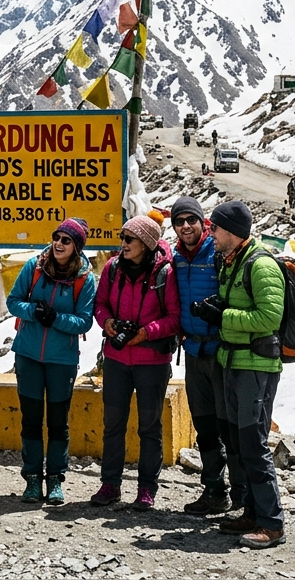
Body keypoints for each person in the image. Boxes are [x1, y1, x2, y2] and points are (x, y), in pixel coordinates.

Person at [190, 201, 286, 549]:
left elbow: (268, 319)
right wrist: (216, 307)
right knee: (240, 444)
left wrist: (223, 317)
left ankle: (272, 523)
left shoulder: (260, 266)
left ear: (231, 231)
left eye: (214, 228)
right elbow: (242, 306)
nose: (210, 234)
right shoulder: (235, 262)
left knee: (253, 445)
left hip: (256, 367)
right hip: (234, 362)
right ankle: (251, 511)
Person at [92, 216, 182, 510]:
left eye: (129, 239)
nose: (123, 244)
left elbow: (173, 318)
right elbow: (100, 304)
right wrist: (109, 324)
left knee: (149, 427)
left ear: (146, 243)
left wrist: (144, 333)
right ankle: (110, 484)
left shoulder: (164, 274)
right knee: (113, 424)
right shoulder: (112, 268)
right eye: (123, 237)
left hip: (151, 360)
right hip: (117, 358)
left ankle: (146, 489)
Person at [6, 218, 97, 506]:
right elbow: (13, 301)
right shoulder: (34, 266)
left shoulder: (85, 278)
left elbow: (84, 322)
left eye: (66, 240)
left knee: (58, 422)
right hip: (29, 355)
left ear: (76, 246)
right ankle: (32, 479)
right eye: (57, 237)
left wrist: (55, 319)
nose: (58, 243)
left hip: (62, 360)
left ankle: (55, 479)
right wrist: (34, 311)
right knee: (31, 420)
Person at [170, 196, 245, 515]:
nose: (186, 226)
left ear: (204, 223)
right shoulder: (174, 257)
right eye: (179, 221)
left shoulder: (217, 253)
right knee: (204, 426)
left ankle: (242, 495)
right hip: (192, 350)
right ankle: (215, 491)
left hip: (222, 351)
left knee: (229, 427)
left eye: (191, 220)